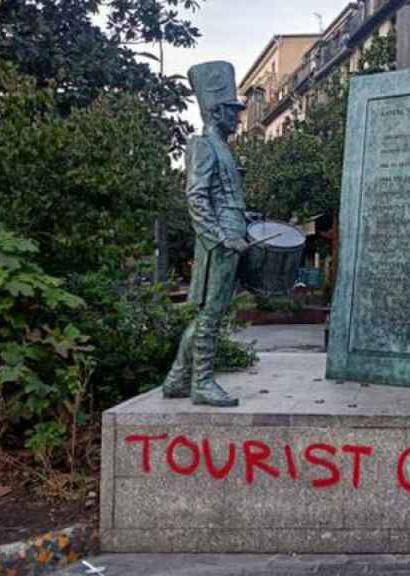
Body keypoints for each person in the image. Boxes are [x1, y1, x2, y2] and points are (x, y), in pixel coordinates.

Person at [161, 61, 250, 407]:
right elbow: (196, 196)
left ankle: (176, 379)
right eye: (232, 111)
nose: (238, 118)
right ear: (215, 112)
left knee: (210, 312)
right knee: (210, 314)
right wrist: (219, 238)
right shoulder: (202, 145)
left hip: (230, 234)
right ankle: (201, 383)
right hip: (220, 240)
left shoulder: (223, 147)